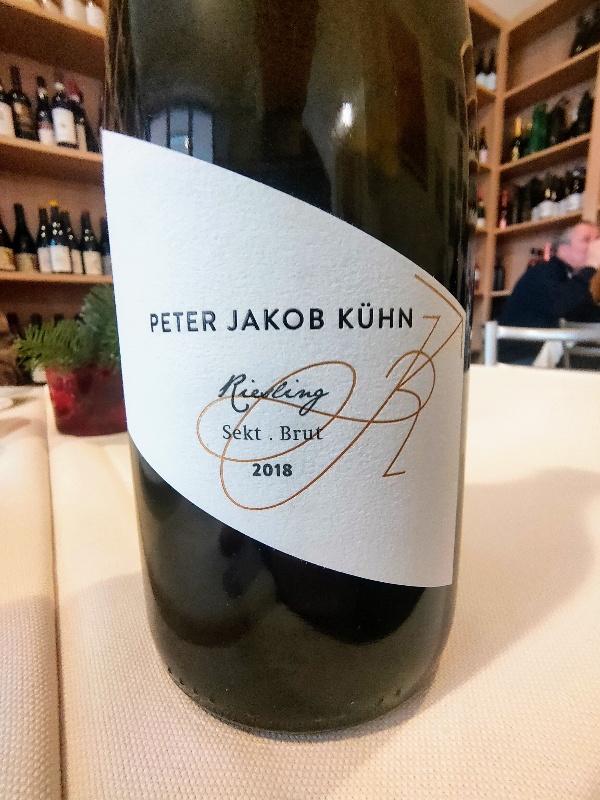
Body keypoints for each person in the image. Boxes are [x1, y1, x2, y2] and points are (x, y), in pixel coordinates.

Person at [497, 222, 600, 364]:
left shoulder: (574, 281)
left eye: (597, 239)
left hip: (546, 360)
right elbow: (563, 306)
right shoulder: (541, 273)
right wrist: (591, 265)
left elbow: (588, 316)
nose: (595, 246)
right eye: (587, 240)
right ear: (563, 250)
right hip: (519, 362)